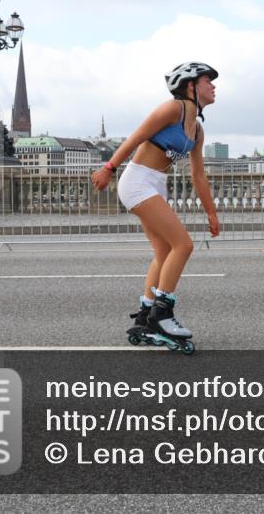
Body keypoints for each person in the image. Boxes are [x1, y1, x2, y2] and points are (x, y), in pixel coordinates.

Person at [91, 62, 221, 352]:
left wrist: (211, 212)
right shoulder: (173, 109)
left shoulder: (197, 131)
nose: (213, 86)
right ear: (190, 86)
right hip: (137, 181)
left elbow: (198, 175)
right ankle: (162, 315)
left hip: (156, 183)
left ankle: (146, 315)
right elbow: (136, 137)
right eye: (207, 81)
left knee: (164, 253)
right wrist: (109, 168)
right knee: (183, 245)